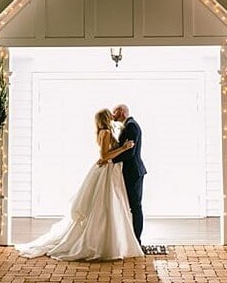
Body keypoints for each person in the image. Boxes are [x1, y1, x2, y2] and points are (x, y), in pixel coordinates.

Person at [15, 108, 144, 261]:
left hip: (110, 171)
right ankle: (105, 241)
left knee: (109, 206)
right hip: (106, 170)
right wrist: (123, 148)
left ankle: (112, 240)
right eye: (111, 114)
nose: (113, 116)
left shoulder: (109, 131)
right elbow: (103, 156)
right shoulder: (106, 133)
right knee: (104, 206)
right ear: (106, 118)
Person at [107, 104, 146, 244]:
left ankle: (136, 241)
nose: (112, 114)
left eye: (114, 111)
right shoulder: (128, 125)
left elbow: (130, 153)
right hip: (130, 171)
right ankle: (132, 240)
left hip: (133, 172)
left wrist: (110, 159)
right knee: (132, 206)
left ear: (122, 111)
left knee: (135, 207)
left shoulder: (131, 126)